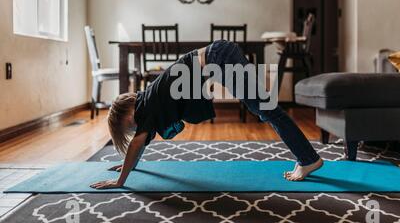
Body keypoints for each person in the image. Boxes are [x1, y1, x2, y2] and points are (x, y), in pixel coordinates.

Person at [90, 40, 323, 190]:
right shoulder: (148, 104)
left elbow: (138, 141)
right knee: (263, 110)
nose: (131, 127)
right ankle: (307, 158)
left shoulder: (147, 105)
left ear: (128, 112)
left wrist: (120, 182)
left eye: (127, 125)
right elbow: (142, 141)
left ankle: (308, 159)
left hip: (219, 57)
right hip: (220, 55)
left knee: (266, 110)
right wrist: (129, 166)